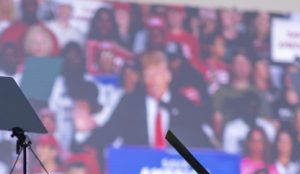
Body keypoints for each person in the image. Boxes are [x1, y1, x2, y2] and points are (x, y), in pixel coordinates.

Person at [73, 50, 212, 151]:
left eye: (157, 74)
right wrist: (82, 136)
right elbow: (108, 133)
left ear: (168, 76)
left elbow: (201, 143)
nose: (152, 81)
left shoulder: (184, 106)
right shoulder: (129, 103)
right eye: (147, 75)